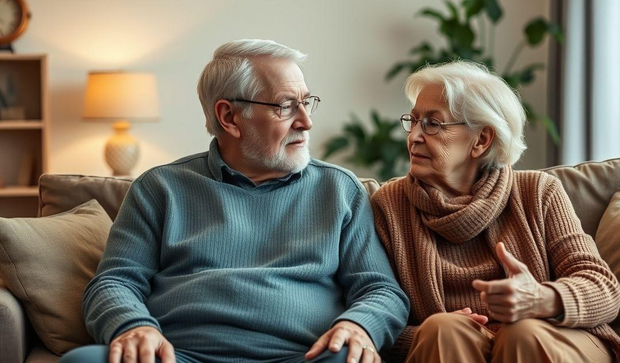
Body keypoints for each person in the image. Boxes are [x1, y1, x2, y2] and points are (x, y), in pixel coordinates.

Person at [60, 39, 409, 363]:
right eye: (287, 107)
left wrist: (359, 325)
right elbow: (114, 282)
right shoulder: (161, 188)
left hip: (303, 357)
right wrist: (133, 326)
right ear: (229, 117)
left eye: (306, 102)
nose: (306, 121)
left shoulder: (339, 190)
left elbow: (380, 289)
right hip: (180, 356)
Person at [370, 61, 620, 362]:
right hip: (457, 348)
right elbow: (381, 313)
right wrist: (427, 334)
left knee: (522, 334)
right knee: (443, 329)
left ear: (481, 140)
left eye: (432, 123)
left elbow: (604, 289)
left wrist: (540, 299)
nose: (413, 136)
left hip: (548, 338)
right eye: (413, 121)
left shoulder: (538, 192)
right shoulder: (389, 205)